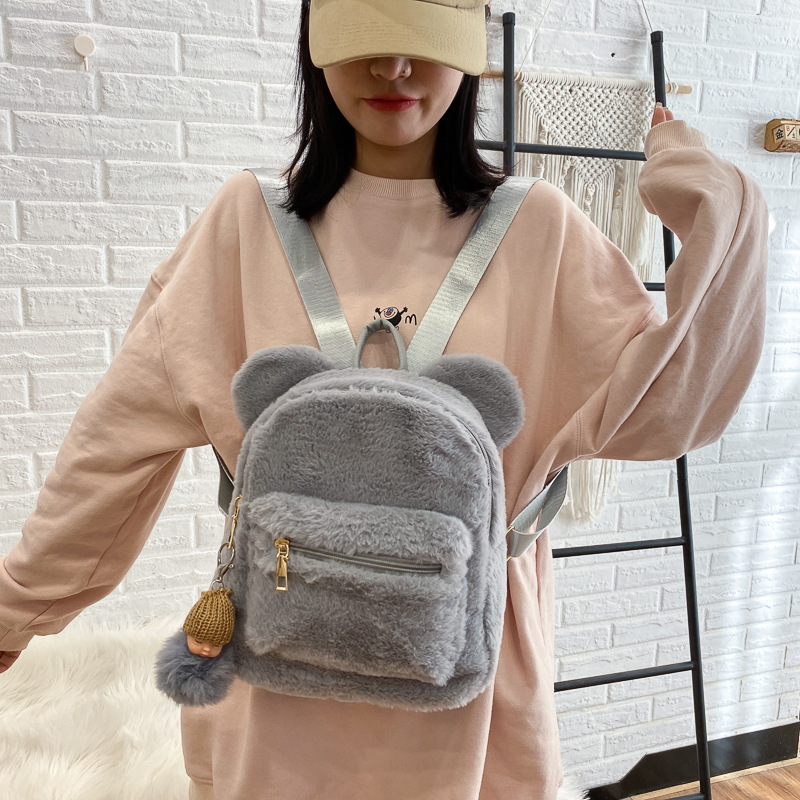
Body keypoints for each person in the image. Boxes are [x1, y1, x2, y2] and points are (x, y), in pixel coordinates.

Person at [0, 0, 767, 798]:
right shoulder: (242, 227)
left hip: (469, 682)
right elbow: (117, 443)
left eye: (420, 40)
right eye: (365, 35)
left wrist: (716, 204)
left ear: (468, 48)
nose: (392, 67)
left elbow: (676, 405)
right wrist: (19, 606)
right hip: (280, 670)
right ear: (315, 40)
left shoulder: (543, 232)